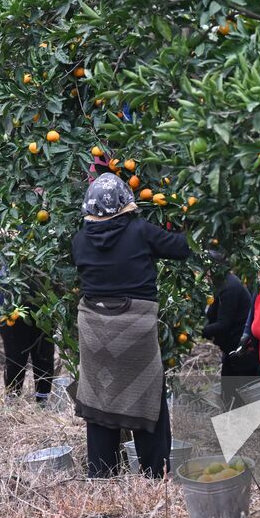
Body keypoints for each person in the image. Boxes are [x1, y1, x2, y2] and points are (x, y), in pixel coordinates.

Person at [70, 172, 190, 478]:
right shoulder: (140, 231)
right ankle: (155, 473)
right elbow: (180, 247)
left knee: (99, 402)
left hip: (95, 332)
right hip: (136, 330)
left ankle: (102, 474)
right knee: (149, 400)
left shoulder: (80, 240)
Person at [202, 252, 258, 407]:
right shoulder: (222, 285)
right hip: (233, 351)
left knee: (237, 398)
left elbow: (224, 323)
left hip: (242, 352)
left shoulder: (230, 287)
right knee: (229, 395)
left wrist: (202, 331)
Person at [0, 271, 55, 404]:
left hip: (44, 302)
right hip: (12, 305)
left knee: (44, 355)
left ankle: (43, 401)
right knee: (15, 357)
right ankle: (12, 400)